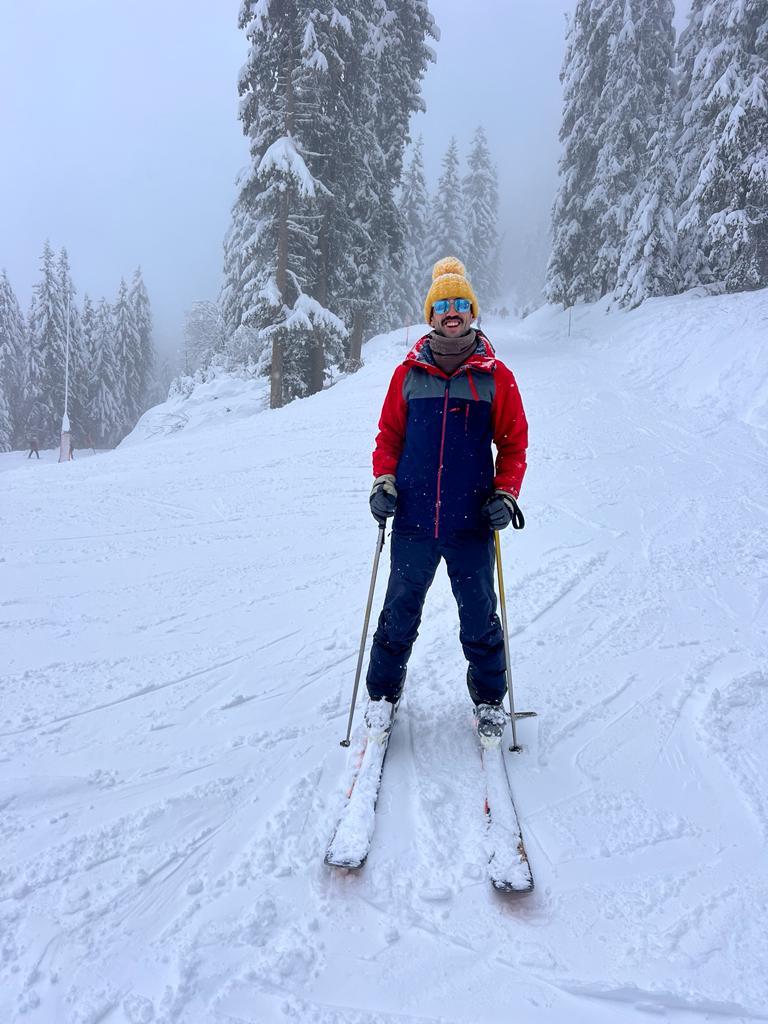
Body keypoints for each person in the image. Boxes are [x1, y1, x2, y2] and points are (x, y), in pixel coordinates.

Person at [364, 256, 528, 747]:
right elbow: (388, 438)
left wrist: (505, 494)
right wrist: (382, 483)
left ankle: (488, 700)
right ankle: (382, 697)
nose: (451, 313)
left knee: (479, 616)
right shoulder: (407, 375)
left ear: (471, 312)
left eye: (460, 304)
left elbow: (515, 444)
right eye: (442, 305)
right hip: (413, 518)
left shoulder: (495, 377)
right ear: (431, 315)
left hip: (471, 522)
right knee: (399, 613)